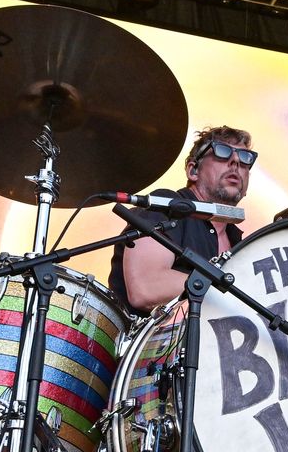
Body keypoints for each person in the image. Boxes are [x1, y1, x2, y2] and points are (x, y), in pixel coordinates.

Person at [109, 125, 256, 314]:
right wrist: (229, 290)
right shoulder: (168, 207)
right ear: (193, 170)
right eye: (222, 152)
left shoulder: (240, 245)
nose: (235, 161)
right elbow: (146, 288)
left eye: (245, 158)